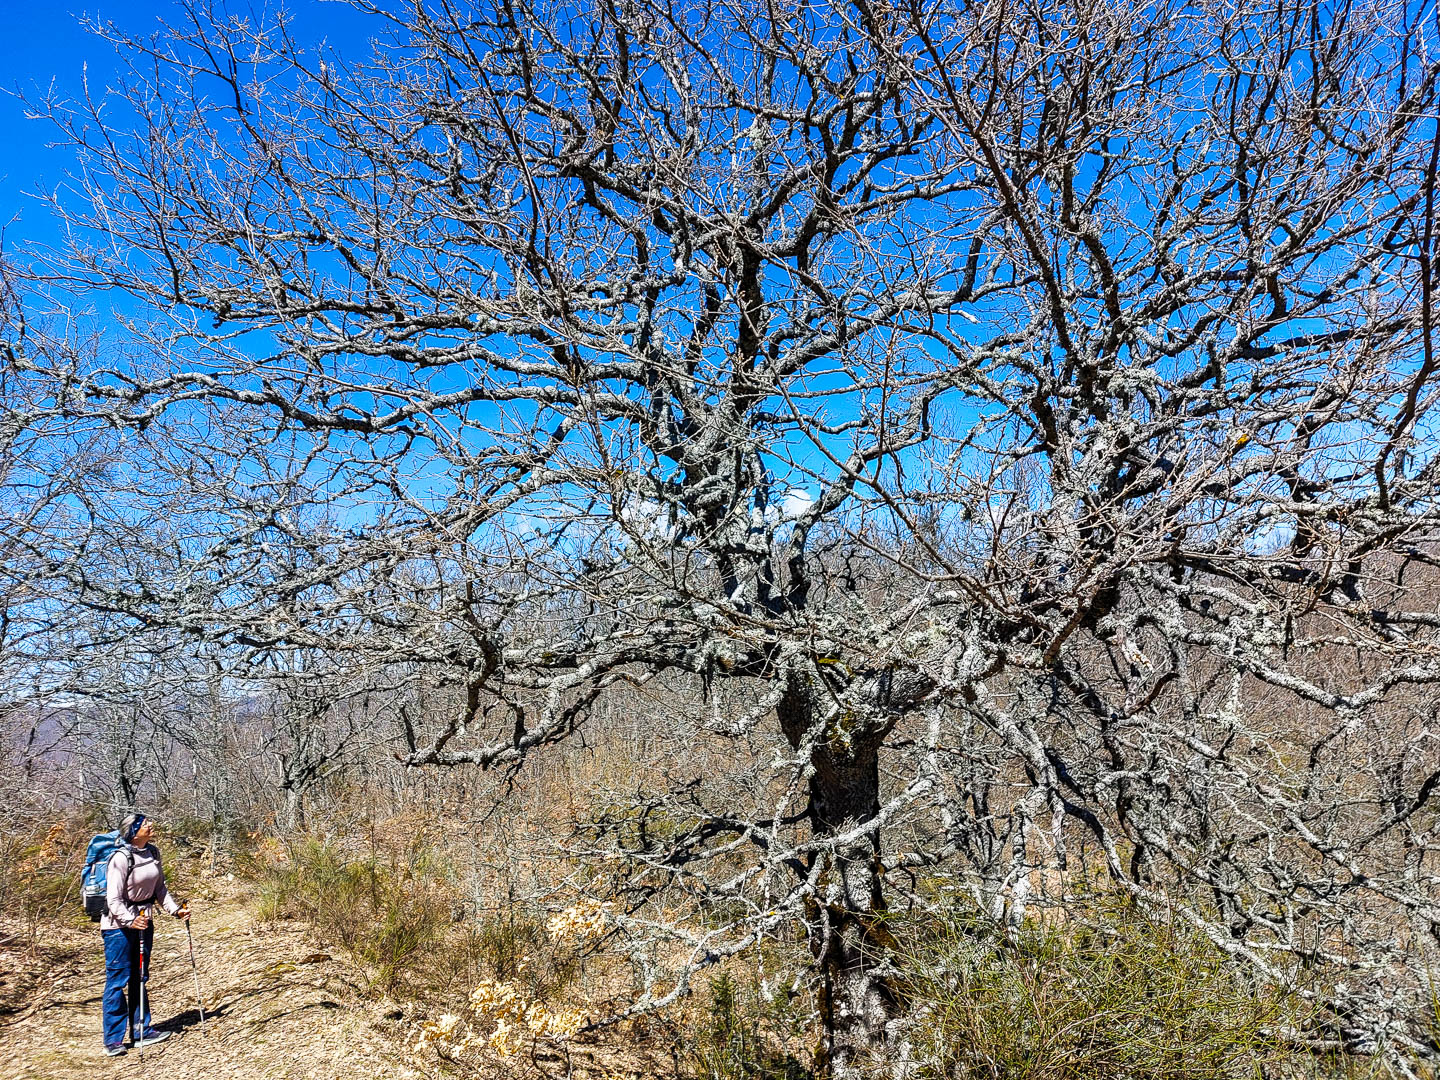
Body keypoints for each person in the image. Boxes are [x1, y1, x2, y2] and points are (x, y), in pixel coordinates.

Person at [101, 812, 191, 1057]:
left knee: (139, 977)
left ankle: (142, 1029)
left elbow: (160, 887)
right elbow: (113, 899)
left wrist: (175, 910)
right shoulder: (120, 858)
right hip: (117, 929)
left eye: (149, 822)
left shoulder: (152, 852)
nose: (150, 825)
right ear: (132, 831)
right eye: (144, 824)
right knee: (118, 982)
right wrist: (131, 920)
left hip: (144, 923)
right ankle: (113, 1040)